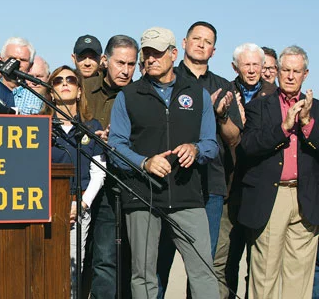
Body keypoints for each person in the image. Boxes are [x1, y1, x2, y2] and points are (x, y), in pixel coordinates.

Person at [108, 27, 219, 299]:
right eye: (147, 53)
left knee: (203, 270)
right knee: (143, 275)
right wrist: (144, 163)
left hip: (187, 196)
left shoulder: (197, 94)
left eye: (157, 53)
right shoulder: (129, 96)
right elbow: (115, 146)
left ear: (173, 54)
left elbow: (211, 144)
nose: (150, 59)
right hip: (143, 197)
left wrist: (195, 149)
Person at [157, 21, 241, 297]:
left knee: (202, 266)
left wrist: (221, 116)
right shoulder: (166, 79)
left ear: (214, 50)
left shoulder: (223, 85)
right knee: (161, 261)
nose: (201, 44)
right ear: (183, 43)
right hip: (169, 181)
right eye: (196, 38)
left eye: (208, 41)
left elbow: (234, 139)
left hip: (210, 185)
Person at [238, 45, 319, 299]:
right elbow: (247, 147)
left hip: (306, 197)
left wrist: (307, 124)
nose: (291, 76)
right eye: (286, 70)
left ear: (306, 74)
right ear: (276, 72)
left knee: (300, 276)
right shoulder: (259, 107)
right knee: (265, 275)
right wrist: (283, 128)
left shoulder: (316, 108)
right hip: (272, 198)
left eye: (296, 71)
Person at [214, 42, 276, 298]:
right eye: (245, 65)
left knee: (259, 264)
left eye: (255, 65)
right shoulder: (224, 93)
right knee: (222, 260)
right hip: (229, 188)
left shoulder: (276, 97)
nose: (251, 70)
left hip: (262, 190)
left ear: (263, 67)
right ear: (234, 67)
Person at [42, 65, 105, 297]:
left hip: (77, 208)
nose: (64, 83)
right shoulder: (40, 127)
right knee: (43, 268)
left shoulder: (91, 127)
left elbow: (98, 173)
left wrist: (81, 204)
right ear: (51, 90)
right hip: (44, 208)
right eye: (58, 81)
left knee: (71, 273)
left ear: (79, 90)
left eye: (71, 79)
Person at [84, 34, 139, 299]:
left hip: (129, 184)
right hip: (92, 185)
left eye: (131, 64)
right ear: (105, 61)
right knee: (100, 256)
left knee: (129, 258)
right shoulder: (84, 87)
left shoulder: (140, 94)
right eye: (120, 63)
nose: (126, 70)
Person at [0, 37, 43, 115]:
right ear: (1, 60)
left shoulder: (38, 100)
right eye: (12, 58)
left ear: (30, 66)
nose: (17, 64)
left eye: (23, 60)